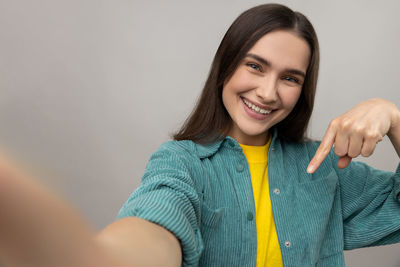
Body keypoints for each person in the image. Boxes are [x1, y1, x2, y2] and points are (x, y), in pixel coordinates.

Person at [0, 3, 399, 267]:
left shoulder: (325, 169)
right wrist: (99, 257)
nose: (268, 92)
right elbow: (156, 223)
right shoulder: (183, 163)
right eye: (255, 67)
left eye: (290, 78)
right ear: (226, 66)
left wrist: (393, 117)